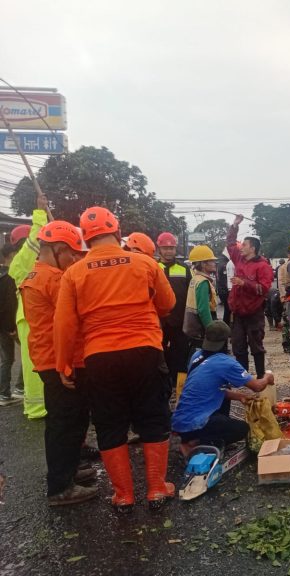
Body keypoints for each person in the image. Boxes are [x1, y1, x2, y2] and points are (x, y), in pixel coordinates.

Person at [54, 206, 176, 512]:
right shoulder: (145, 263)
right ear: (118, 232)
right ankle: (157, 489)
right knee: (152, 417)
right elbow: (167, 304)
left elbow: (65, 324)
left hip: (99, 357)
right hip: (145, 351)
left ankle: (123, 495)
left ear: (85, 238)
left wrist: (63, 364)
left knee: (110, 423)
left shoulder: (74, 273)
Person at [20, 220, 98, 506]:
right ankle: (61, 486)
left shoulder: (36, 274)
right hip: (59, 361)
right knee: (65, 423)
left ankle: (69, 470)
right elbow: (71, 321)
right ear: (58, 249)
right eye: (72, 254)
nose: (74, 260)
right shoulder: (53, 279)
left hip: (50, 359)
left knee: (69, 420)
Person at [172, 321, 275, 456]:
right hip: (196, 424)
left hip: (180, 422)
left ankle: (192, 438)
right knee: (242, 429)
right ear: (225, 341)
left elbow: (210, 389)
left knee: (223, 388)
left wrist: (240, 397)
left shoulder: (196, 356)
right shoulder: (225, 362)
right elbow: (257, 386)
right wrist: (267, 377)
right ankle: (196, 443)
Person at [9, 197, 50, 419]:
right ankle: (36, 408)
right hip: (30, 318)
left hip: (33, 317)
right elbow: (34, 242)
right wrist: (40, 215)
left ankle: (41, 405)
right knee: (34, 366)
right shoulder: (22, 262)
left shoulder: (29, 263)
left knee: (39, 363)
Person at [226, 215, 273, 377]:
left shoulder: (263, 266)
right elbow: (230, 243)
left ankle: (260, 377)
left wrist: (244, 283)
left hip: (254, 313)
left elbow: (264, 289)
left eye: (244, 245)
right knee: (238, 346)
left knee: (256, 346)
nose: (241, 247)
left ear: (253, 248)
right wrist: (235, 225)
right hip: (238, 313)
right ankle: (243, 378)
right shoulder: (238, 259)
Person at [157, 232, 191, 392]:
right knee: (160, 356)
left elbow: (190, 294)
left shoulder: (184, 268)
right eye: (165, 248)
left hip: (180, 321)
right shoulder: (154, 267)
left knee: (181, 356)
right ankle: (163, 388)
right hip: (159, 322)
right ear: (159, 249)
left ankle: (180, 391)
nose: (169, 251)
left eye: (171, 248)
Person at [183, 245, 218, 352]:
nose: (214, 263)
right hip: (201, 328)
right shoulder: (203, 282)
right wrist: (211, 329)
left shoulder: (195, 279)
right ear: (203, 264)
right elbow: (203, 309)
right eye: (211, 260)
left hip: (193, 326)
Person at [0, 242, 22, 406]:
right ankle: (14, 390)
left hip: (2, 325)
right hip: (9, 325)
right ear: (12, 255)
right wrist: (11, 328)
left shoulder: (2, 275)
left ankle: (6, 393)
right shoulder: (10, 276)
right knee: (15, 358)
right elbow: (9, 304)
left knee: (7, 359)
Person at [216, 252, 231, 326]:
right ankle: (226, 325)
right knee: (228, 310)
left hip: (221, 290)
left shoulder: (220, 262)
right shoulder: (225, 264)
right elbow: (225, 280)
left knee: (227, 309)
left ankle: (226, 325)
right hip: (225, 291)